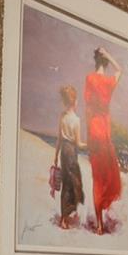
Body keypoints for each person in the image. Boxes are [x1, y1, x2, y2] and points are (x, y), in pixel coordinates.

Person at [82, 48, 123, 233]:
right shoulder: (108, 81)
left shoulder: (90, 78)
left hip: (94, 129)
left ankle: (99, 224)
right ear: (105, 62)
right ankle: (102, 216)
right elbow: (120, 69)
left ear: (95, 61)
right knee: (107, 174)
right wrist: (109, 54)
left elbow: (88, 106)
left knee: (97, 176)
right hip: (105, 130)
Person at [52, 84, 84, 229]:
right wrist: (91, 145)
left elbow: (59, 138)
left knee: (67, 183)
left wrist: (55, 155)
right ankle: (64, 218)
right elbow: (78, 143)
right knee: (73, 184)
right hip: (71, 152)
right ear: (74, 102)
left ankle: (68, 214)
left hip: (64, 152)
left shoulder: (62, 116)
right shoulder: (76, 120)